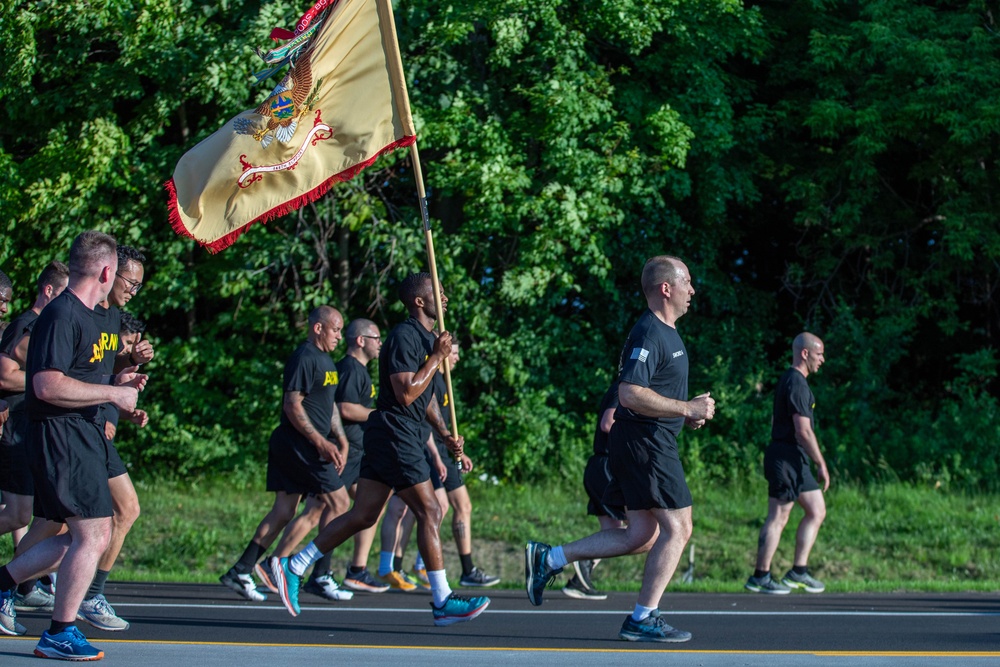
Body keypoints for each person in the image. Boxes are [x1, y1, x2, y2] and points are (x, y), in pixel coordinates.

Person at [270, 273, 489, 627]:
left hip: (399, 434)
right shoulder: (405, 336)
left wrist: (446, 434)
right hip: (395, 433)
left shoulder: (428, 339)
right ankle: (443, 600)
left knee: (364, 514)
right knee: (431, 510)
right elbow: (405, 392)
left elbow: (427, 396)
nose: (445, 299)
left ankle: (293, 565)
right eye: (440, 293)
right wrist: (436, 357)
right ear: (420, 301)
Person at [525, 255, 715, 643]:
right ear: (667, 288)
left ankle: (550, 558)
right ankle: (643, 618)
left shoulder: (668, 332)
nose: (693, 290)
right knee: (679, 527)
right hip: (646, 444)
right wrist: (685, 407)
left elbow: (651, 393)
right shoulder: (649, 333)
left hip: (649, 439)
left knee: (641, 535)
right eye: (688, 282)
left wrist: (686, 414)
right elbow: (629, 393)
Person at [0, 231, 147, 660]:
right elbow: (45, 384)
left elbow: (80, 374)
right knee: (93, 533)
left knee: (81, 536)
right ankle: (59, 632)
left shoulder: (86, 315)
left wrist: (122, 379)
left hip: (79, 434)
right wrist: (113, 395)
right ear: (106, 271)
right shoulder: (62, 315)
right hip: (63, 436)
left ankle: (7, 585)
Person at [220, 306, 352, 603]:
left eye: (342, 330)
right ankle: (309, 569)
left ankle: (241, 570)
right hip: (299, 444)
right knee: (340, 502)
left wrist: (340, 439)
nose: (339, 337)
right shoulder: (304, 357)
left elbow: (328, 405)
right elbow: (292, 404)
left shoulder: (327, 361)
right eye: (335, 330)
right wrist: (320, 442)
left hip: (310, 444)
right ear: (318, 328)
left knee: (284, 511)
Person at [0, 261, 70, 611]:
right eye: (65, 293)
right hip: (13, 430)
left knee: (43, 521)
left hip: (36, 434)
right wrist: (46, 381)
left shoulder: (49, 328)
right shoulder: (25, 326)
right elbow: (3, 376)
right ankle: (11, 588)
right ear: (48, 291)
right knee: (18, 516)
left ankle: (20, 586)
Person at [408, 339, 500, 588]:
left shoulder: (445, 381)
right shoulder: (433, 379)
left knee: (454, 506)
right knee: (444, 507)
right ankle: (434, 565)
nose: (456, 357)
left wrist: (458, 452)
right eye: (453, 353)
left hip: (445, 451)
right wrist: (438, 456)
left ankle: (461, 568)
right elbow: (426, 423)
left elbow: (444, 424)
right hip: (432, 449)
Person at [745, 332, 829, 595]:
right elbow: (803, 431)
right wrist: (821, 463)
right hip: (786, 457)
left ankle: (798, 572)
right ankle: (760, 576)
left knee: (817, 510)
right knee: (779, 517)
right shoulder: (795, 383)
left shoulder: (792, 381)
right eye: (819, 354)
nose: (822, 360)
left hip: (795, 459)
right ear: (805, 353)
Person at [334, 319, 391, 594]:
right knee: (316, 512)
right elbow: (345, 408)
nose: (380, 343)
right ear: (360, 340)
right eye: (376, 337)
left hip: (359, 454)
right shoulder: (348, 369)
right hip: (343, 452)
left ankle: (357, 570)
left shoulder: (362, 372)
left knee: (373, 505)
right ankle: (282, 564)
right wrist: (381, 416)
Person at [563, 381, 627, 601]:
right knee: (640, 525)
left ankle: (578, 581)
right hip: (606, 467)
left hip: (603, 467)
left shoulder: (628, 388)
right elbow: (608, 423)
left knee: (613, 529)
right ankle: (581, 560)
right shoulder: (623, 388)